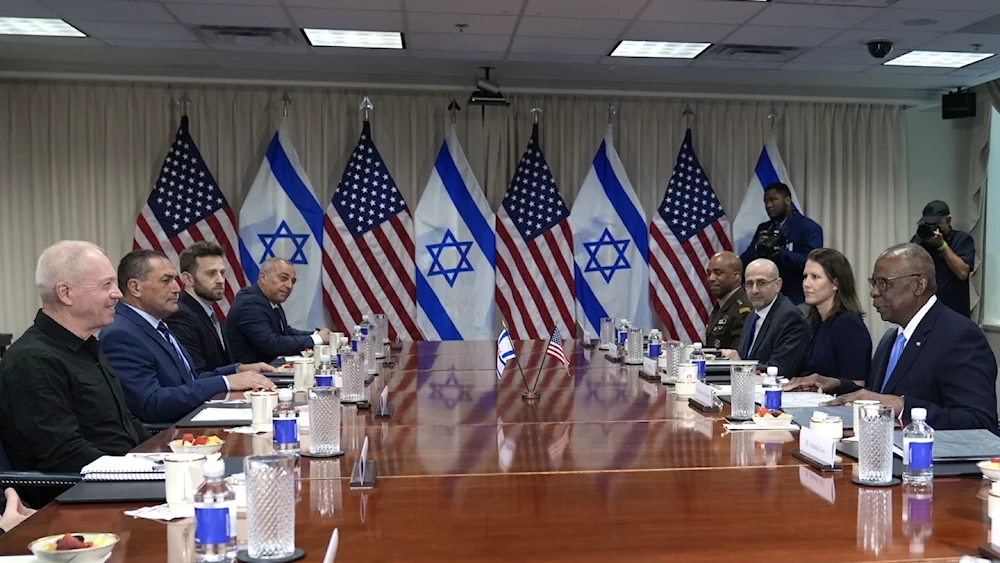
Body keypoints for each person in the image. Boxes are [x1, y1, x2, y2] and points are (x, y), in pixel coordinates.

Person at [785, 244, 998, 432]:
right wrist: (835, 385)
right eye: (873, 283)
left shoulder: (959, 335)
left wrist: (902, 406)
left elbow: (979, 422)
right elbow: (879, 397)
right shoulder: (891, 338)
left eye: (884, 283)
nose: (874, 293)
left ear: (918, 285)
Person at [0, 241, 151, 474]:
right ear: (65, 293)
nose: (118, 293)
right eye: (106, 285)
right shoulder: (32, 361)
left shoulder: (88, 346)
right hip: (78, 495)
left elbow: (125, 424)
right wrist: (141, 471)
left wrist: (166, 458)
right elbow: (63, 454)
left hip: (123, 476)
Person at [100, 250, 276, 424]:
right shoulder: (121, 334)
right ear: (135, 287)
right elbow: (151, 404)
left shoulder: (156, 325)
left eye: (175, 280)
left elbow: (190, 380)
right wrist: (226, 382)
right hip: (166, 438)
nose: (177, 288)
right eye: (166, 280)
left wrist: (236, 371)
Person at [226, 258, 331, 364]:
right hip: (249, 375)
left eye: (293, 281)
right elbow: (272, 344)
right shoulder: (250, 302)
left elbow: (285, 331)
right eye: (283, 278)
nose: (289, 286)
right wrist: (316, 339)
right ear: (263, 277)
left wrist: (316, 334)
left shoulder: (271, 300)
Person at [720, 258, 810, 377]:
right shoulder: (753, 314)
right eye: (749, 283)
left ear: (777, 285)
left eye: (762, 282)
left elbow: (780, 370)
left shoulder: (790, 318)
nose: (754, 290)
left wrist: (740, 364)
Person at [739, 182, 823, 305]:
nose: (768, 205)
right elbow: (744, 264)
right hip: (765, 299)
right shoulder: (764, 228)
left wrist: (781, 253)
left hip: (797, 299)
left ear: (787, 200)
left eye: (773, 200)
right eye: (765, 201)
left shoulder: (809, 227)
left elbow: (811, 263)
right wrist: (757, 247)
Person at [799, 248, 872, 381]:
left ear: (836, 283)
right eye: (805, 276)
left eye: (815, 277)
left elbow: (857, 383)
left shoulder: (848, 325)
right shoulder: (816, 322)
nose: (806, 284)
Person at [167, 241, 232, 372]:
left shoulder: (208, 310)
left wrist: (242, 369)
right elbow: (195, 373)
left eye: (222, 273)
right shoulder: (180, 315)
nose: (220, 280)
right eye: (211, 273)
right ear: (188, 279)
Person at [911, 200, 974, 317]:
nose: (934, 227)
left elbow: (962, 272)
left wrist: (942, 245)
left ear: (948, 220)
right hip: (926, 313)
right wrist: (919, 240)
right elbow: (907, 269)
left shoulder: (963, 239)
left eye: (937, 223)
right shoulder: (921, 241)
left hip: (955, 312)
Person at [704, 251, 751, 349]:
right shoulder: (721, 303)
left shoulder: (743, 309)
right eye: (709, 273)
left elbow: (738, 355)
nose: (711, 278)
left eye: (718, 273)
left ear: (736, 276)